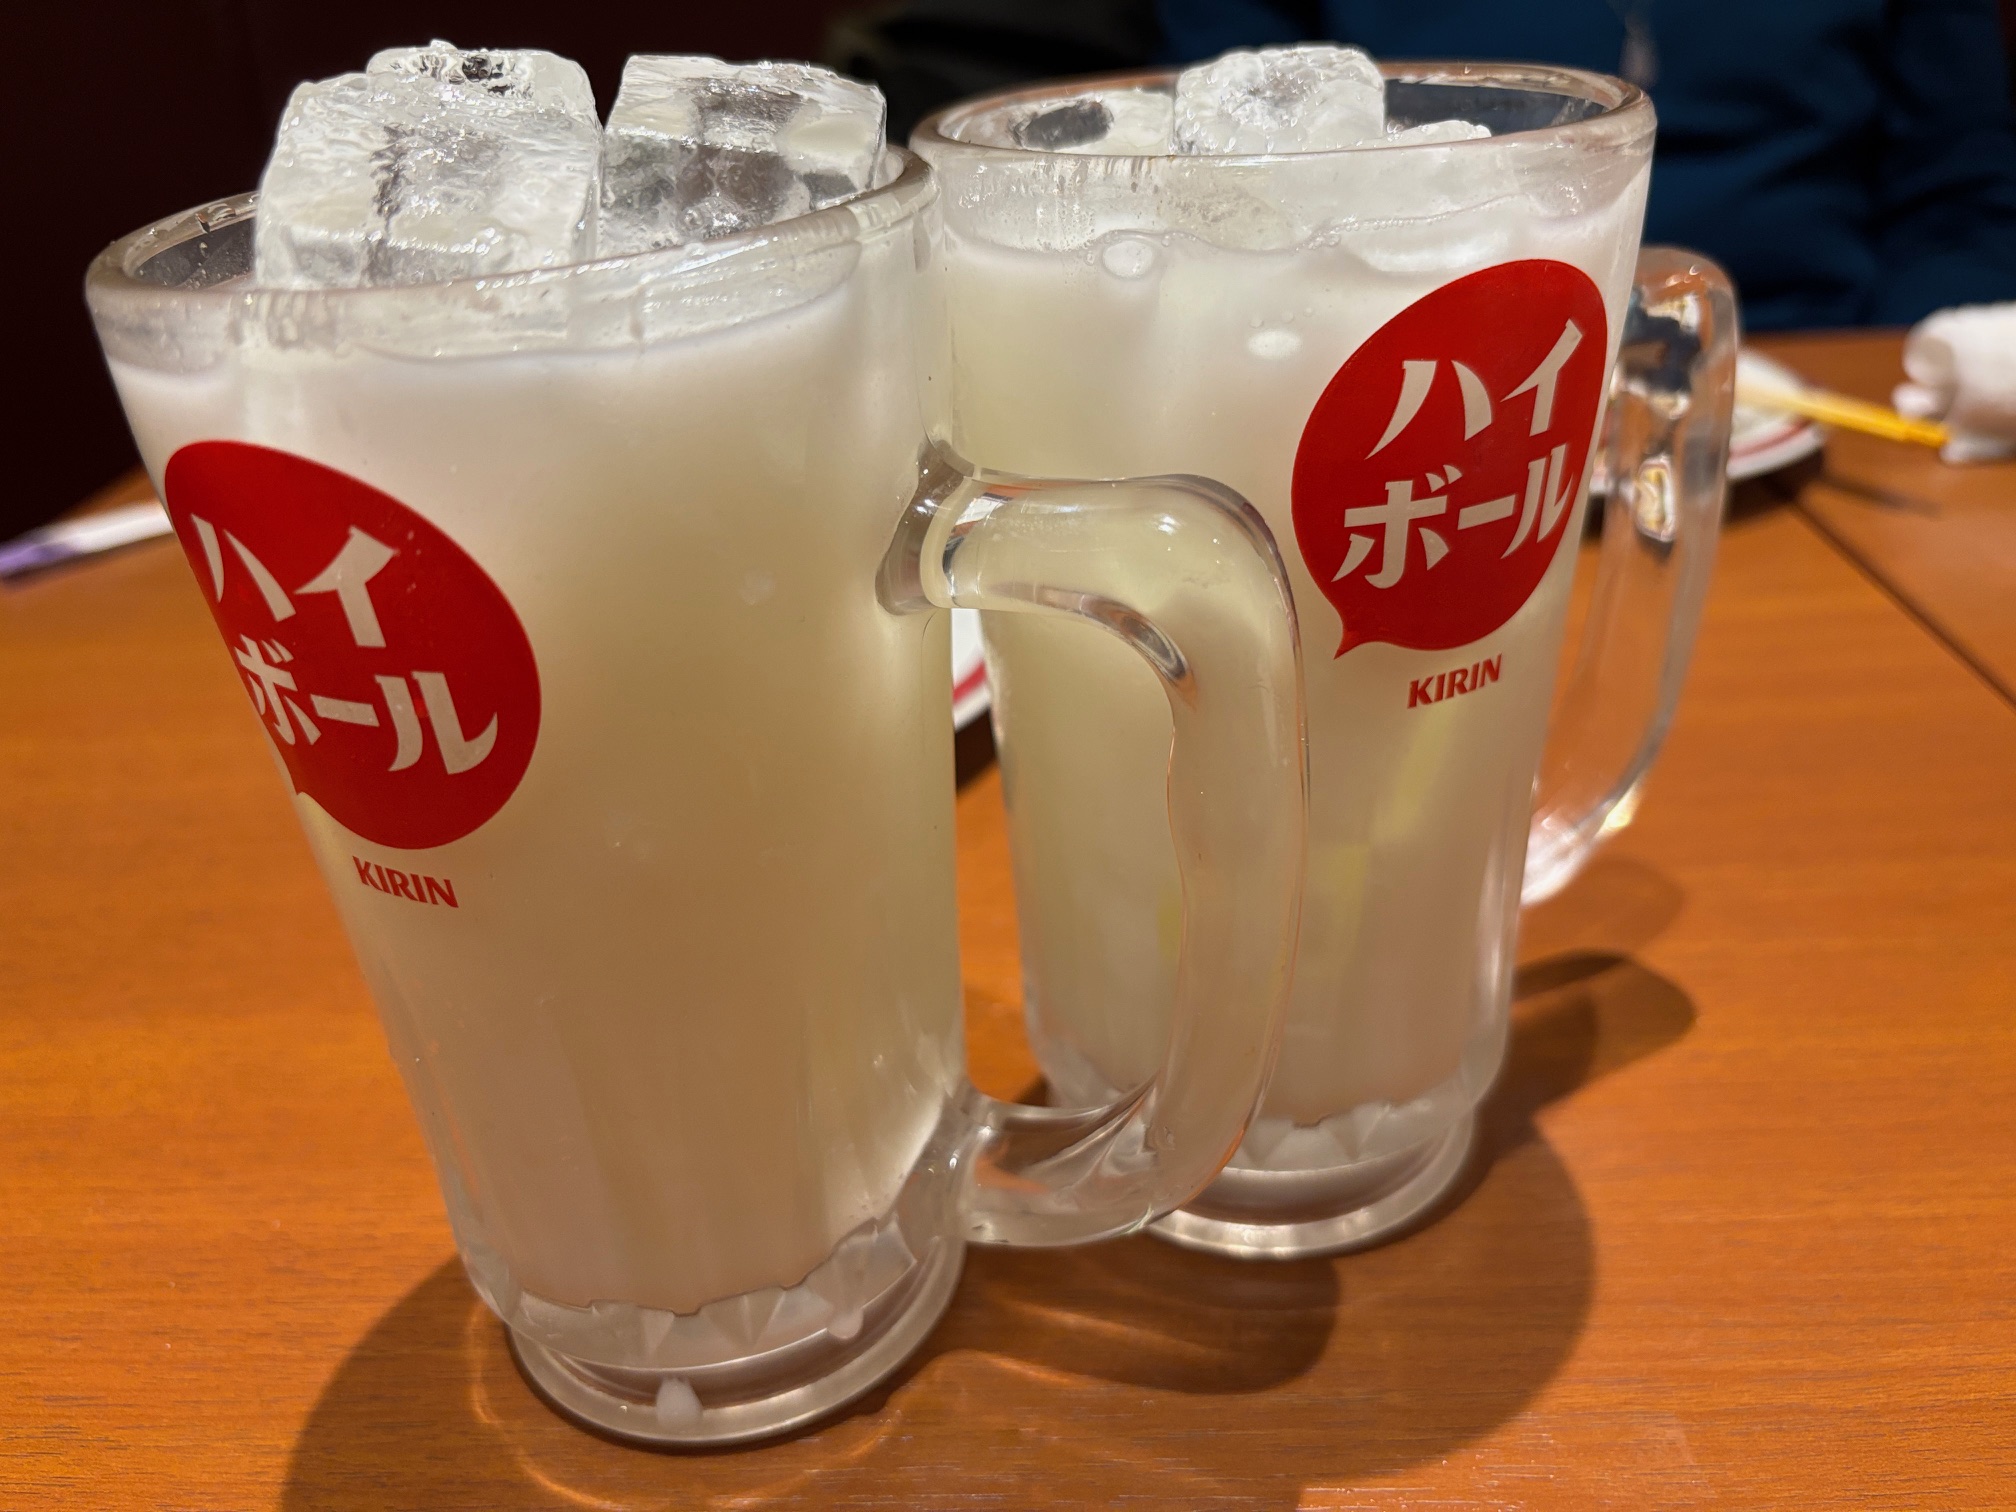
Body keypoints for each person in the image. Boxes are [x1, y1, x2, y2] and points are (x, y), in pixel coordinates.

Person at [830, 0, 2016, 329]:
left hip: (1809, 385)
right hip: (1392, 383)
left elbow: (1963, 187)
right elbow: (1223, 165)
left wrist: (1942, 359)